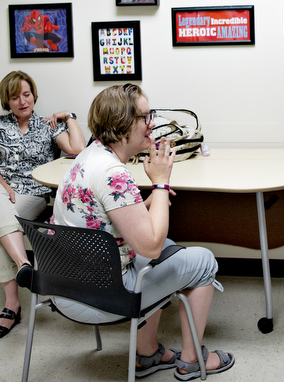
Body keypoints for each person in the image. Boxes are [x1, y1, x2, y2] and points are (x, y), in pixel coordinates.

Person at [49, 84, 234, 380]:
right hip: (103, 295)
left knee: (167, 250)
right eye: (145, 117)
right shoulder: (114, 174)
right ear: (120, 125)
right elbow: (151, 247)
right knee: (202, 262)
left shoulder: (87, 157)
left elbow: (101, 217)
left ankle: (147, 354)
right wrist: (160, 183)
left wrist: (141, 204)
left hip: (65, 284)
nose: (152, 124)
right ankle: (193, 360)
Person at [0, 70, 85, 339]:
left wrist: (70, 116)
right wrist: (4, 187)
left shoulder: (47, 125)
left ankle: (11, 307)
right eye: (15, 96)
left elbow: (78, 149)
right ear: (7, 100)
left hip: (29, 198)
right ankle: (22, 263)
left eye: (27, 94)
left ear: (34, 95)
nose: (22, 101)